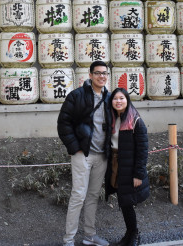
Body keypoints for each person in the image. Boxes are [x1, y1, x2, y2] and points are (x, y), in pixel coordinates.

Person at [57, 61, 112, 246]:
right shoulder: (76, 96)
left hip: (101, 155)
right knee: (78, 195)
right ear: (90, 75)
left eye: (104, 73)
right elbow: (63, 123)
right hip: (83, 154)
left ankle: (90, 235)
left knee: (93, 196)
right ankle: (68, 239)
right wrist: (75, 148)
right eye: (97, 73)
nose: (101, 76)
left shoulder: (110, 97)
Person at [105, 88, 150, 246]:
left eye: (121, 98)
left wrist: (138, 174)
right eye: (115, 98)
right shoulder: (112, 118)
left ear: (127, 100)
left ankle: (134, 235)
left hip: (129, 167)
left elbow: (143, 150)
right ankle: (129, 234)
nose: (118, 101)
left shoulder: (135, 120)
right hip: (117, 165)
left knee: (127, 201)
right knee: (124, 201)